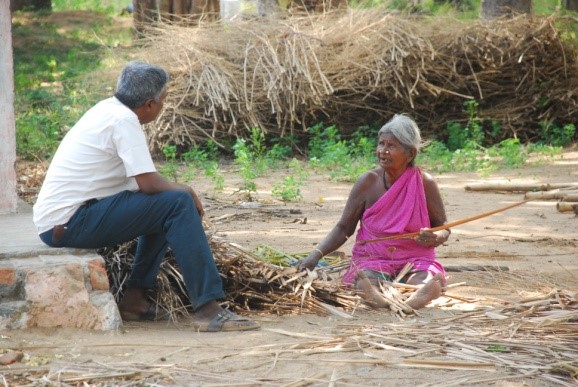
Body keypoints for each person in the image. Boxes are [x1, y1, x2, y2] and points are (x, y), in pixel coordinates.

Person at [33, 61, 259, 332]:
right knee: (177, 203)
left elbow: (145, 186)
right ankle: (208, 310)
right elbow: (149, 184)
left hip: (66, 220)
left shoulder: (107, 109)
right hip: (69, 223)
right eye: (163, 100)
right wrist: (186, 190)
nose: (163, 106)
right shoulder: (123, 120)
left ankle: (135, 301)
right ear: (150, 104)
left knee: (165, 206)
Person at [296, 114, 450, 310]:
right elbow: (344, 227)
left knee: (423, 277)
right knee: (367, 277)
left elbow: (444, 228)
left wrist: (435, 236)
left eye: (391, 146)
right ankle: (376, 296)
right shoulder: (368, 182)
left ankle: (420, 294)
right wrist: (315, 256)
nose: (382, 151)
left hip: (415, 258)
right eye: (381, 144)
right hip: (374, 258)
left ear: (410, 154)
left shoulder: (425, 183)